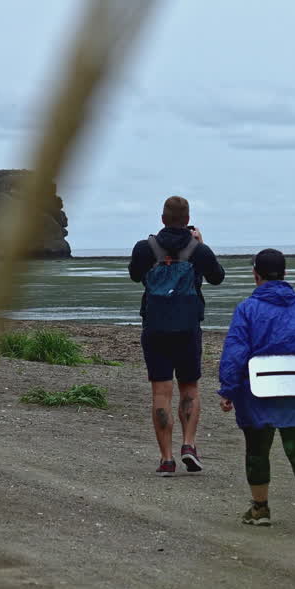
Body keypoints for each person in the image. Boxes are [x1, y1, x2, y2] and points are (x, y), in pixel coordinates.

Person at [218, 249, 295, 534]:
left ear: (256, 274)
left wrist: (228, 389)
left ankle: (260, 508)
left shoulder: (247, 310)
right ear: (285, 274)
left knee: (257, 451)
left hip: (257, 393)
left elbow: (236, 353)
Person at [128, 196, 226, 477]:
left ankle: (166, 459)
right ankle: (189, 445)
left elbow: (135, 275)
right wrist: (201, 243)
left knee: (161, 392)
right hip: (188, 328)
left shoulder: (145, 248)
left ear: (162, 219)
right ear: (187, 219)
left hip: (155, 327)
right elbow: (217, 277)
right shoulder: (198, 249)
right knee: (189, 388)